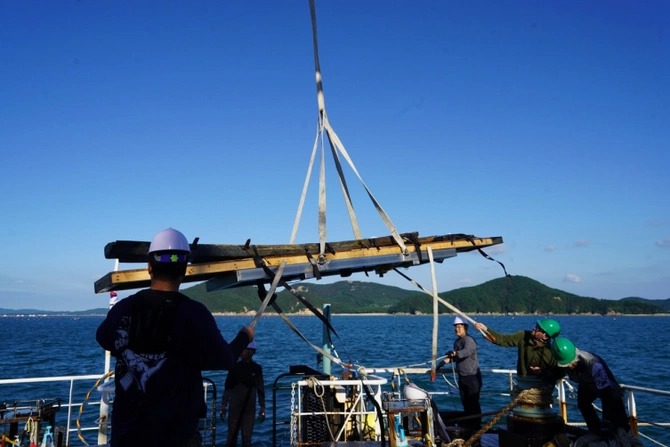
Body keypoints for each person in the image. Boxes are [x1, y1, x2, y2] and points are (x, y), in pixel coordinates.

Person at [96, 228, 254, 447]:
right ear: (185, 270)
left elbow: (104, 338)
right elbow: (225, 359)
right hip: (177, 434)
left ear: (149, 267)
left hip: (128, 435)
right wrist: (245, 336)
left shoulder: (124, 308)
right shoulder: (194, 313)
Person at [552, 336, 630, 435]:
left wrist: (606, 422)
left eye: (572, 363)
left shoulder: (594, 364)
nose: (570, 366)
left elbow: (607, 395)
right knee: (583, 404)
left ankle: (620, 431)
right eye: (567, 365)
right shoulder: (561, 360)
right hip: (585, 382)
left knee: (613, 404)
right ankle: (594, 430)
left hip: (606, 386)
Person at [474, 318, 561, 382]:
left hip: (541, 387)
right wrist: (485, 329)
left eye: (538, 328)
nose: (534, 328)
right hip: (523, 382)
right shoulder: (523, 336)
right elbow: (502, 340)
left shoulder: (551, 351)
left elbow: (558, 372)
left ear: (545, 336)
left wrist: (542, 371)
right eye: (536, 325)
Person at [433, 316, 482, 429]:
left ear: (466, 328)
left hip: (472, 377)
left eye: (459, 327)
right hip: (462, 377)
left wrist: (455, 353)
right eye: (455, 327)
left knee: (473, 404)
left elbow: (467, 352)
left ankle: (476, 428)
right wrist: (445, 361)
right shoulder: (457, 342)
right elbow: (458, 356)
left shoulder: (469, 340)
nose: (457, 329)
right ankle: (469, 427)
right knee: (466, 403)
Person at [221, 341, 266, 447]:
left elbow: (260, 388)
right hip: (234, 407)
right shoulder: (234, 367)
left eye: (244, 349)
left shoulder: (257, 368)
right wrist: (224, 404)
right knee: (231, 438)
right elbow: (228, 387)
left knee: (247, 439)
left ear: (251, 352)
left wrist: (262, 406)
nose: (241, 352)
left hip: (249, 409)